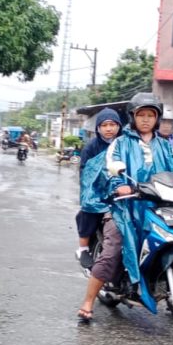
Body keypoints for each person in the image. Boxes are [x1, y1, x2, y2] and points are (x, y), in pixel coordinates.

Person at [105, 93, 173, 309]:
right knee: (119, 245)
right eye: (140, 115)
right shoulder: (120, 143)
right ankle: (108, 288)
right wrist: (119, 184)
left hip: (164, 202)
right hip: (131, 203)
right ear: (132, 117)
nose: (145, 119)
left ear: (157, 118)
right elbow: (111, 167)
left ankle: (169, 280)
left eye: (150, 115)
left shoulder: (164, 145)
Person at [73, 108, 122, 270]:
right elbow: (86, 172)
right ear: (98, 128)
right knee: (90, 209)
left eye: (113, 124)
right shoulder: (91, 147)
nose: (109, 128)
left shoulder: (124, 144)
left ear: (119, 126)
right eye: (104, 125)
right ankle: (83, 248)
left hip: (121, 187)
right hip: (96, 189)